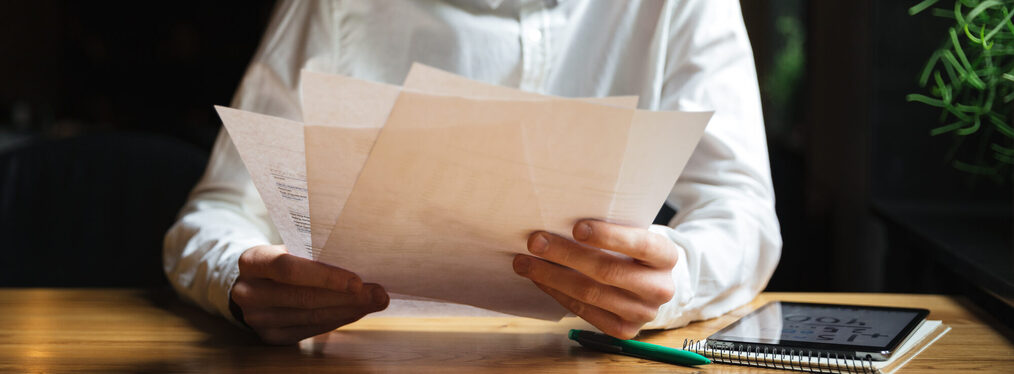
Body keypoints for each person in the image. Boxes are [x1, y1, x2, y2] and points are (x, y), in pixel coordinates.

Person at [164, 0, 781, 345]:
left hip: (585, 358)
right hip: (362, 358)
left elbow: (744, 208)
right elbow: (218, 211)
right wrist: (241, 283)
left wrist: (676, 280)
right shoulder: (334, 7)